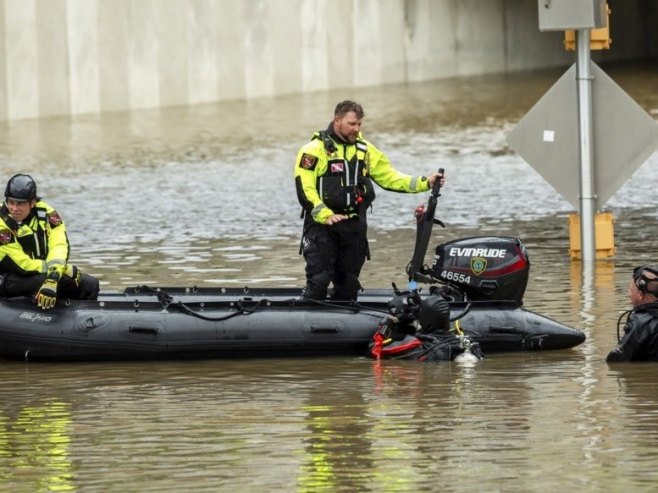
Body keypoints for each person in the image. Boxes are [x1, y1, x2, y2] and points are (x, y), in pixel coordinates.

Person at [294, 100, 444, 300]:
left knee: (348, 284)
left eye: (359, 124)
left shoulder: (365, 150)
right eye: (351, 124)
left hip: (353, 226)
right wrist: (325, 214)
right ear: (337, 120)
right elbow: (305, 188)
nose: (356, 129)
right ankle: (308, 318)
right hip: (322, 228)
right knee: (319, 280)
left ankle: (344, 323)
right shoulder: (313, 150)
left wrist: (425, 182)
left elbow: (390, 177)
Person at [0, 173, 99, 309]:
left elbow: (59, 245)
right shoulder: (1, 221)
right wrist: (59, 272)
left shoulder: (46, 213)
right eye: (11, 202)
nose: (14, 208)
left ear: (33, 202)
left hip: (41, 273)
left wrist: (54, 274)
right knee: (42, 281)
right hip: (8, 277)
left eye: (20, 203)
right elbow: (20, 264)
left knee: (89, 284)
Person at [607, 266, 658, 362]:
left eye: (630, 290)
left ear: (639, 295)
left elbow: (617, 360)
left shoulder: (640, 322)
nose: (629, 294)